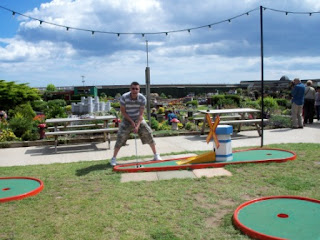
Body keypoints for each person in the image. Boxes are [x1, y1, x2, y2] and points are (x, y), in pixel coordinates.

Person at [110, 82, 161, 166]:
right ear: (130, 89)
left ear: (139, 89)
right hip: (127, 119)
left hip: (138, 119)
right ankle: (113, 159)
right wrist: (131, 122)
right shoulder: (124, 97)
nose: (134, 90)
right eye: (133, 88)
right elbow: (123, 112)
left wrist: (137, 125)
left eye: (136, 89)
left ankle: (156, 155)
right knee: (120, 137)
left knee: (148, 133)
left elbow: (141, 114)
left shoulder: (142, 98)